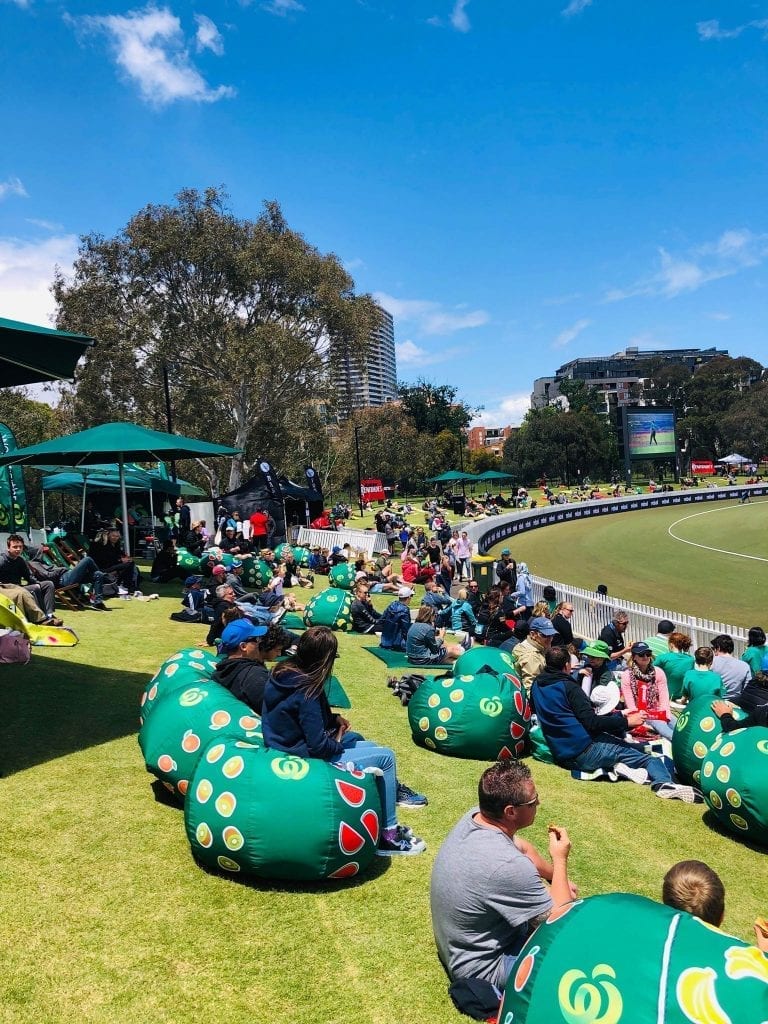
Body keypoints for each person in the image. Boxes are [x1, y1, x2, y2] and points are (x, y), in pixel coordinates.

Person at [262, 626, 428, 855]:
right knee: (386, 758)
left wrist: (333, 719)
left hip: (280, 745)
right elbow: (318, 746)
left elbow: (293, 714)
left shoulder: (282, 673)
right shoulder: (307, 688)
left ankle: (383, 822)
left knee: (368, 746)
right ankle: (388, 835)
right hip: (301, 755)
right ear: (326, 658)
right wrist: (337, 741)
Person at [430, 759, 575, 992]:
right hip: (483, 968)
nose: (538, 802)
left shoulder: (476, 817)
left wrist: (557, 879)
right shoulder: (508, 865)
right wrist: (560, 860)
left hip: (460, 946)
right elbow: (559, 920)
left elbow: (522, 847)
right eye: (533, 801)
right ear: (511, 812)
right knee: (571, 958)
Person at [531, 646, 698, 800]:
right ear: (567, 665)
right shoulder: (569, 687)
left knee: (626, 748)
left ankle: (622, 768)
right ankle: (663, 783)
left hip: (562, 754)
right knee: (649, 759)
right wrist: (626, 722)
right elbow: (592, 722)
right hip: (586, 750)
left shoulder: (536, 685)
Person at [213, 620, 288, 713]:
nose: (259, 643)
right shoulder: (254, 676)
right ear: (243, 646)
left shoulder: (224, 669)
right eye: (256, 640)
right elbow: (280, 711)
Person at [619, 641, 674, 741]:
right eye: (641, 654)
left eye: (648, 654)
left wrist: (665, 715)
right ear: (634, 657)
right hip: (640, 713)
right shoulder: (627, 675)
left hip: (657, 710)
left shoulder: (658, 672)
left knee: (678, 725)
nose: (645, 657)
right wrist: (642, 717)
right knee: (666, 730)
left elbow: (664, 697)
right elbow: (630, 703)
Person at [89, 527, 141, 594]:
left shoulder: (114, 545)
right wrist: (120, 560)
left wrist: (125, 557)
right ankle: (126, 585)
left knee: (131, 564)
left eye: (117, 536)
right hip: (101, 568)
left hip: (110, 565)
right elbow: (104, 560)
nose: (115, 538)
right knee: (129, 564)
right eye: (113, 536)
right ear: (108, 535)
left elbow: (119, 554)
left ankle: (130, 585)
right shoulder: (100, 545)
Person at [514, 616, 557, 690]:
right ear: (533, 634)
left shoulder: (525, 644)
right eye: (545, 635)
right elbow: (530, 688)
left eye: (552, 635)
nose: (550, 639)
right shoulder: (532, 657)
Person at [654, 632, 694, 701]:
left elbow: (649, 672)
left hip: (664, 695)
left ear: (671, 644)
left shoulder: (663, 658)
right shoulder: (691, 660)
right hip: (682, 698)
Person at [711, 634, 751, 700]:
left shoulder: (710, 662)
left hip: (714, 701)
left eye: (713, 648)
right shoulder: (744, 666)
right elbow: (747, 689)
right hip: (735, 702)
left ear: (718, 648)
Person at [379, 587, 414, 651]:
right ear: (408, 597)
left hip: (384, 641)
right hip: (397, 643)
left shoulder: (391, 605)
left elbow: (382, 620)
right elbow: (405, 630)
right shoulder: (405, 610)